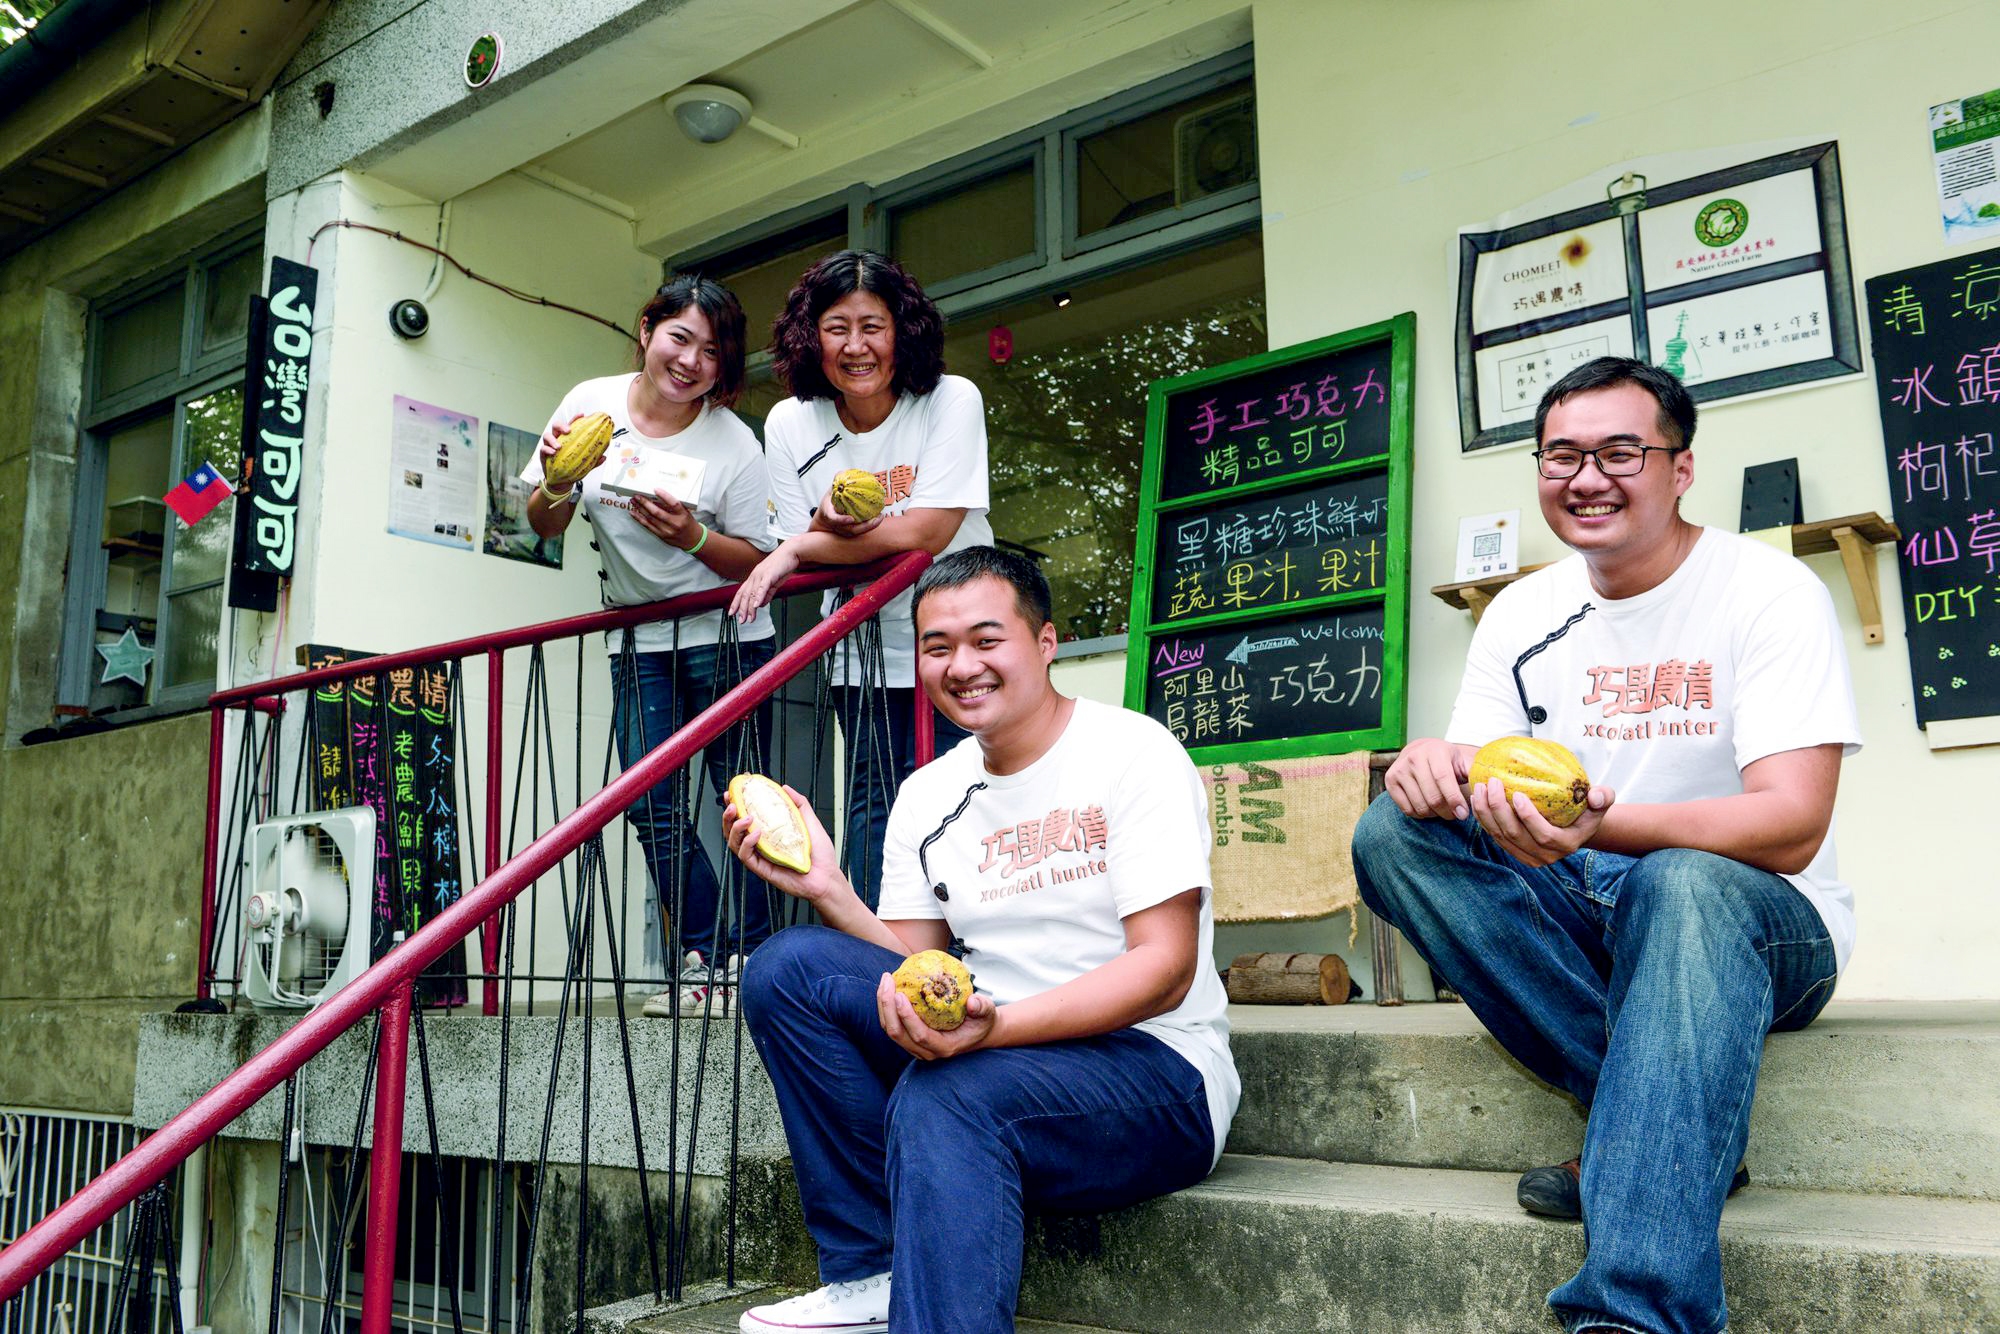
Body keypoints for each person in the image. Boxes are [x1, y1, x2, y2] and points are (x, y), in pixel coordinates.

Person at [1352, 357, 1859, 1334]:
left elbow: (1791, 822)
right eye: (1561, 455)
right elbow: (1479, 770)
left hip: (1763, 924)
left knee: (1677, 881)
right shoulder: (1520, 613)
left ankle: (1631, 1314)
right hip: (1588, 897)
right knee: (1393, 833)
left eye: (1620, 451)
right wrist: (1431, 768)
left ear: (1679, 468)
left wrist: (1605, 823)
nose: (1587, 477)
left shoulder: (1766, 590)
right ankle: (1664, 1125)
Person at [722, 547, 1237, 1334]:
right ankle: (870, 1267)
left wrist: (993, 1032)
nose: (963, 666)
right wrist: (828, 889)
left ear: (1046, 643)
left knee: (951, 1092)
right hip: (997, 1050)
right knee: (788, 967)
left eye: (987, 639)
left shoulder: (1134, 754)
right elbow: (907, 969)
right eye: (938, 647)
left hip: (1155, 1070)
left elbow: (1165, 969)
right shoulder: (927, 794)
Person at [525, 273, 778, 1015]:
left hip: (727, 636)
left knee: (747, 805)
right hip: (637, 639)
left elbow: (762, 560)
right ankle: (707, 952)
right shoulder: (589, 404)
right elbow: (543, 524)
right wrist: (556, 481)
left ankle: (756, 966)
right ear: (646, 330)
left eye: (711, 350)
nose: (691, 361)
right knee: (650, 802)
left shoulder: (735, 443)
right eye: (680, 337)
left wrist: (694, 537)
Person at [728, 250, 992, 908]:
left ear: (903, 329)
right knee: (879, 806)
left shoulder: (951, 400)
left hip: (961, 643)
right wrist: (811, 537)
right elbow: (805, 538)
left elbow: (930, 533)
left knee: (972, 799)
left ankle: (975, 958)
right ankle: (886, 958)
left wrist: (799, 551)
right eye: (836, 327)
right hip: (863, 653)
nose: (856, 346)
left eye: (872, 326)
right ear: (808, 337)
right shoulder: (791, 422)